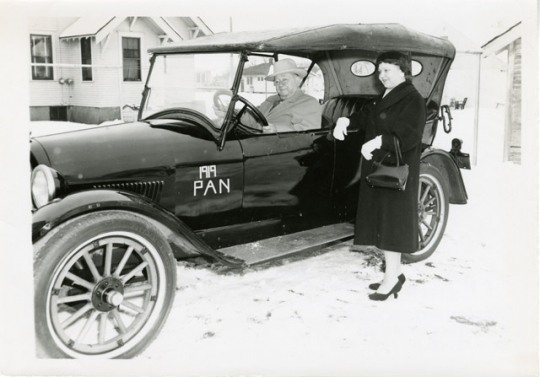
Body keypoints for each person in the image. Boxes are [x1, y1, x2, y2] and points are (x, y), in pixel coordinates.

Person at [333, 51, 426, 301]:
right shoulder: (386, 96)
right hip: (381, 170)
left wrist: (377, 141)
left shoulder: (412, 99)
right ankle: (393, 275)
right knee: (386, 226)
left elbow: (408, 136)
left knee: (391, 226)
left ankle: (392, 278)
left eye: (387, 70)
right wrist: (345, 121)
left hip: (396, 171)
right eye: (380, 70)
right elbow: (365, 117)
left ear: (403, 72)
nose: (381, 75)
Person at [216, 59, 321, 133]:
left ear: (298, 81)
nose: (280, 84)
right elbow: (253, 117)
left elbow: (308, 132)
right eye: (277, 81)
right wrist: (230, 111)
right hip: (255, 141)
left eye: (285, 79)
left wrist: (276, 129)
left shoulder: (308, 103)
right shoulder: (271, 100)